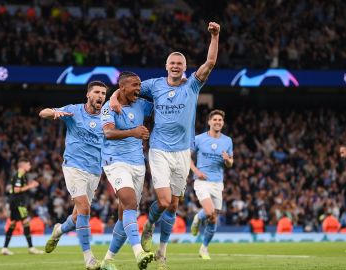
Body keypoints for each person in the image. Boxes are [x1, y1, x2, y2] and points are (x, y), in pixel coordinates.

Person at [109, 22, 220, 268]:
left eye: (180, 64)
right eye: (172, 63)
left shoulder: (193, 84)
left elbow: (210, 63)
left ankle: (162, 253)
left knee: (174, 205)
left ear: (185, 68)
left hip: (182, 151)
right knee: (163, 201)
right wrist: (114, 97)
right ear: (166, 66)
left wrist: (215, 36)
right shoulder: (154, 85)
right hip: (158, 149)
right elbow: (127, 87)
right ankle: (148, 225)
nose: (176, 67)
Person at [40, 81, 107, 269]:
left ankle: (59, 230)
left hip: (95, 171)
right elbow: (42, 112)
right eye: (97, 92)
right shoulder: (74, 111)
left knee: (78, 217)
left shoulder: (107, 117)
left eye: (103, 93)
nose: (100, 95)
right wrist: (53, 113)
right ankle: (89, 258)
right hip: (74, 167)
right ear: (88, 94)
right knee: (85, 209)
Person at [99, 71, 154, 270]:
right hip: (115, 162)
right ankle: (138, 252)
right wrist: (133, 132)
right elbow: (108, 132)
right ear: (122, 87)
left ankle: (107, 260)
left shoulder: (140, 104)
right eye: (135, 86)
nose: (138, 90)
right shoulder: (109, 107)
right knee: (130, 203)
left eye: (140, 86)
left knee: (125, 216)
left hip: (138, 164)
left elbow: (162, 108)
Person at [190, 110, 233, 259]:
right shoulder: (199, 139)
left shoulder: (227, 141)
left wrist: (228, 160)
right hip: (202, 181)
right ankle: (198, 218)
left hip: (217, 183)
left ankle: (204, 248)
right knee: (209, 212)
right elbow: (186, 157)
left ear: (223, 123)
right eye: (215, 119)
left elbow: (230, 163)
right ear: (209, 122)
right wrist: (196, 170)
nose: (217, 122)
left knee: (214, 218)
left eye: (220, 120)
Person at [1, 158, 44, 255]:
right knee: (26, 222)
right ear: (23, 166)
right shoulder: (19, 175)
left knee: (12, 224)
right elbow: (16, 190)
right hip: (18, 203)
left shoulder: (21, 175)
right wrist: (30, 186)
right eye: (28, 165)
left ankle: (4, 248)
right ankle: (31, 247)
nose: (30, 166)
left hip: (15, 202)